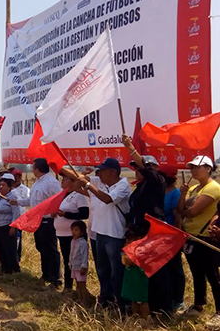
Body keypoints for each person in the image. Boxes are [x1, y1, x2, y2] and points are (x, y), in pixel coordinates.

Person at [122, 135, 172, 315]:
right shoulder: (140, 188)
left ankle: (160, 308)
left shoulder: (157, 181)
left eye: (143, 168)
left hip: (153, 233)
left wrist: (131, 149)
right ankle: (141, 304)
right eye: (136, 168)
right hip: (139, 233)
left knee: (155, 272)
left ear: (155, 168)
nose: (138, 171)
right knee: (140, 272)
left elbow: (149, 172)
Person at [75, 158, 131, 309]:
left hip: (115, 234)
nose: (99, 174)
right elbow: (77, 181)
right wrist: (82, 175)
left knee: (116, 272)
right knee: (102, 269)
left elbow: (107, 199)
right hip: (99, 232)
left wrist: (87, 185)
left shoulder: (123, 186)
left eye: (102, 171)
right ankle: (106, 298)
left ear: (112, 172)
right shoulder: (100, 182)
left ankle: (121, 303)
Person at [177, 155, 220, 326]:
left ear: (208, 168)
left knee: (213, 275)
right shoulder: (194, 188)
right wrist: (182, 195)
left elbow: (192, 212)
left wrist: (185, 210)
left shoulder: (213, 188)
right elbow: (181, 209)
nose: (193, 170)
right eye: (191, 167)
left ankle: (219, 311)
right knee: (196, 273)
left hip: (206, 238)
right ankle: (198, 305)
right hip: (191, 237)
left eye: (197, 167)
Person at [19, 159, 62, 286]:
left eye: (33, 168)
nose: (32, 170)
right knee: (41, 247)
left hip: (48, 221)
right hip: (37, 221)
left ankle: (56, 278)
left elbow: (59, 198)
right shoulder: (37, 183)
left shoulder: (51, 183)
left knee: (51, 249)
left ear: (37, 169)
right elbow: (31, 200)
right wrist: (18, 202)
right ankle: (46, 274)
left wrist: (56, 210)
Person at [55, 174, 89, 292]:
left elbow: (84, 214)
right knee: (67, 261)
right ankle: (68, 286)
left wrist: (66, 215)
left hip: (74, 235)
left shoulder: (79, 195)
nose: (62, 181)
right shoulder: (63, 195)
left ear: (73, 182)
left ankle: (79, 287)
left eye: (65, 179)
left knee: (76, 261)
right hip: (62, 233)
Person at [160, 168, 186, 312]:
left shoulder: (175, 193)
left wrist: (176, 236)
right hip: (159, 235)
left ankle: (178, 299)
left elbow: (178, 215)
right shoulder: (160, 191)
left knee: (175, 268)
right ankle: (167, 297)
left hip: (171, 235)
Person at [0, 172, 21, 274]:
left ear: (9, 187)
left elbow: (16, 213)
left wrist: (13, 227)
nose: (1, 187)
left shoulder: (13, 197)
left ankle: (14, 270)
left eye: (3, 185)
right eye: (0, 185)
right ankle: (5, 268)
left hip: (6, 227)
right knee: (1, 249)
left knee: (9, 249)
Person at [121, 232, 150, 319]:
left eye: (130, 241)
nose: (128, 242)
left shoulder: (141, 252)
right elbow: (124, 261)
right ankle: (135, 317)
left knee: (142, 301)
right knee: (134, 299)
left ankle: (145, 318)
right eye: (127, 240)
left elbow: (129, 262)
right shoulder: (128, 252)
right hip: (132, 280)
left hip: (139, 280)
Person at [69, 220, 90, 305]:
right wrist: (70, 263)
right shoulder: (73, 241)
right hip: (74, 266)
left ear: (82, 232)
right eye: (72, 230)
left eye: (76, 230)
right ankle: (80, 298)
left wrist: (84, 266)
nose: (73, 232)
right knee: (77, 284)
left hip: (80, 267)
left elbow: (84, 256)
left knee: (82, 285)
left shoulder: (83, 243)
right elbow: (71, 253)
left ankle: (85, 300)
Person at [10, 168, 29, 262]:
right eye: (15, 176)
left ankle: (17, 258)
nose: (17, 178)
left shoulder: (26, 190)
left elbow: (28, 202)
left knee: (18, 238)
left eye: (19, 176)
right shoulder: (8, 189)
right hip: (9, 217)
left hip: (20, 218)